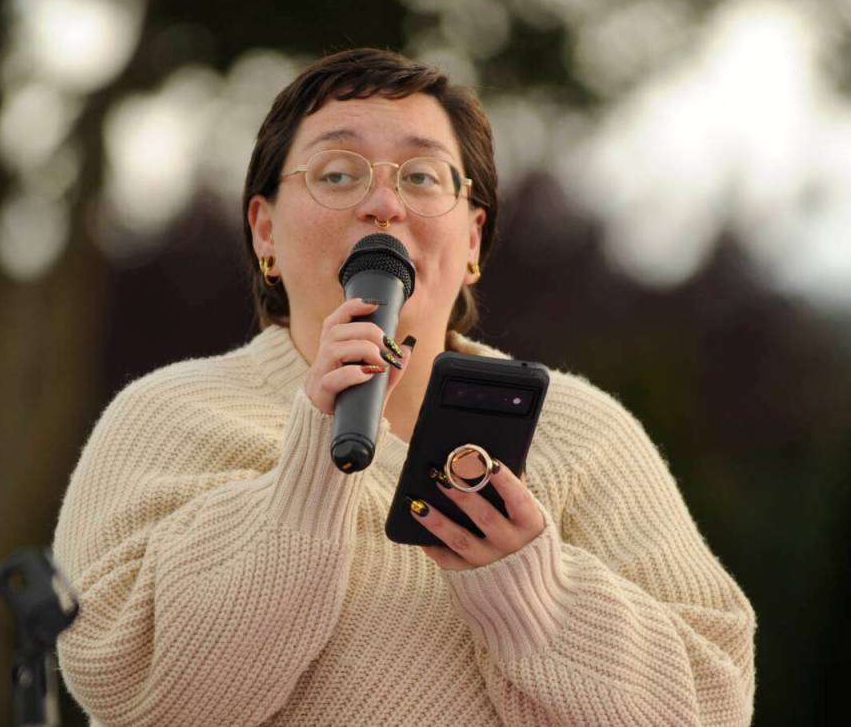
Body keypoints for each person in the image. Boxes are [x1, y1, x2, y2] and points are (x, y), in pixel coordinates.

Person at [52, 48, 755, 726]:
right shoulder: (167, 419)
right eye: (336, 173)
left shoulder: (585, 437)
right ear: (264, 231)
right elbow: (145, 693)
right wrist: (310, 472)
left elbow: (712, 705)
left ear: (473, 241)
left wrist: (534, 589)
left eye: (421, 176)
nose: (384, 203)